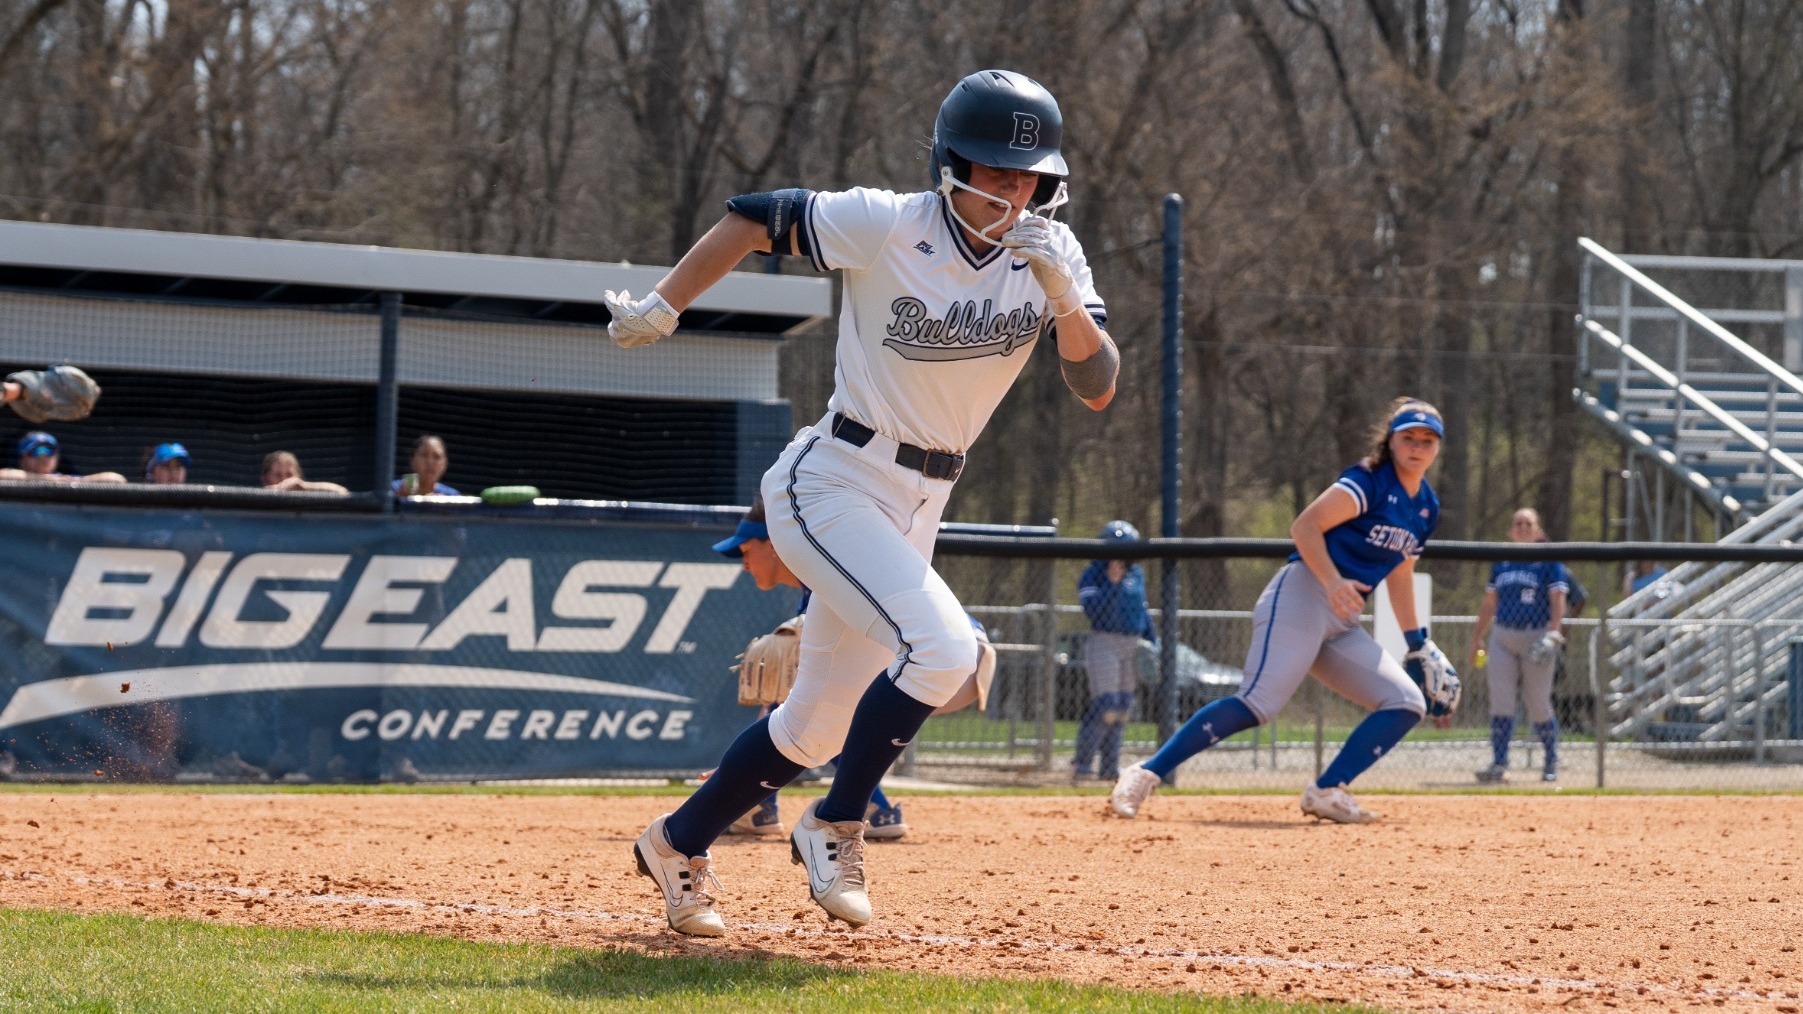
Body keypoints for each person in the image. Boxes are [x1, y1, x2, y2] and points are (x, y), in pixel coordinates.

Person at [613, 68, 1116, 936]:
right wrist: (666, 305)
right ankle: (835, 823)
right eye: (995, 172)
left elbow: (1098, 384)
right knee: (944, 650)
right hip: (833, 478)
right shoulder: (887, 222)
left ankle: (676, 841)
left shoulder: (1051, 256)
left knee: (812, 725)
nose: (1014, 191)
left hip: (925, 497)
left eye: (1029, 177)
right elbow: (749, 214)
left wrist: (1065, 298)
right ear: (949, 165)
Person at [1110, 398, 1459, 824]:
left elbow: (1402, 572)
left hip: (1342, 620)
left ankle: (1328, 791)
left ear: (1438, 447)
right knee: (1259, 703)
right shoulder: (1369, 481)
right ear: (1392, 439)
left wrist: (1418, 642)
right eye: (1409, 437)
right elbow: (1304, 527)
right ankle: (1144, 773)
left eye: (1428, 439)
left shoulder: (1426, 507)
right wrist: (1332, 581)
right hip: (1302, 596)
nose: (1418, 446)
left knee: (1405, 701)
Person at [709, 495, 911, 841]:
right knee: (811, 705)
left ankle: (868, 806)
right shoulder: (816, 576)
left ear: (772, 544)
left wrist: (743, 765)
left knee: (818, 707)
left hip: (941, 657)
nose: (743, 564)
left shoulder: (824, 571)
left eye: (745, 551)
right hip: (922, 656)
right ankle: (761, 806)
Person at [1469, 508, 1569, 783]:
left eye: (1529, 523)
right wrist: (1477, 636)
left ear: (1538, 530)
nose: (1523, 527)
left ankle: (1551, 761)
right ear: (1510, 531)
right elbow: (1490, 603)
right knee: (1501, 703)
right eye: (1518, 523)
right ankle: (1499, 764)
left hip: (1536, 636)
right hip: (1503, 636)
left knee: (1537, 703)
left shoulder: (1548, 559)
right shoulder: (1501, 561)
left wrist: (1554, 633)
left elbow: (1558, 598)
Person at [1072, 520, 1158, 782]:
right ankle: (1083, 765)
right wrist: (1111, 582)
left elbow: (1141, 611)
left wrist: (1153, 641)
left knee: (1122, 708)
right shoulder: (1093, 574)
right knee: (1106, 705)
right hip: (1104, 641)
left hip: (1131, 643)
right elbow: (1093, 611)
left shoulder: (1137, 574)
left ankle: (1109, 769)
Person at [0, 430, 124, 483]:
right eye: (36, 451)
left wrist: (77, 482)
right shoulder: (16, 479)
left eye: (49, 451)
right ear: (22, 458)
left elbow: (116, 479)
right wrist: (46, 480)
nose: (43, 456)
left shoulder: (65, 481)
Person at [393, 435, 458, 495]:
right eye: (424, 455)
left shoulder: (452, 496)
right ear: (412, 461)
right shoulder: (392, 489)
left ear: (445, 464)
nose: (430, 462)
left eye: (436, 457)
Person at [261, 451, 348, 494]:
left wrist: (305, 486)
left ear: (298, 477)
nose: (284, 480)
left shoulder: (308, 504)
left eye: (289, 475)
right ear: (265, 479)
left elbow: (343, 493)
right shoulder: (257, 504)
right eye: (277, 475)